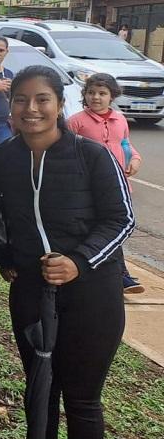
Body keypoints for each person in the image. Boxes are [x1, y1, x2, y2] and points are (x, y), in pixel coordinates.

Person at [0, 66, 134, 439]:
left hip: (93, 294)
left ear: (58, 104)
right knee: (40, 388)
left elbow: (122, 219)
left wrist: (79, 262)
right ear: (10, 107)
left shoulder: (90, 155)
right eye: (21, 100)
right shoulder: (4, 158)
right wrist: (6, 257)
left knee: (82, 396)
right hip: (32, 291)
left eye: (42, 99)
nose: (31, 109)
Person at [67, 73, 144, 294]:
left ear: (112, 96)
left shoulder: (120, 119)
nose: (96, 97)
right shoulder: (76, 122)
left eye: (102, 93)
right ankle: (122, 276)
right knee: (107, 228)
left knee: (118, 226)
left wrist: (135, 159)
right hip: (89, 187)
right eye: (91, 93)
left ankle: (120, 274)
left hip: (119, 186)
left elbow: (126, 144)